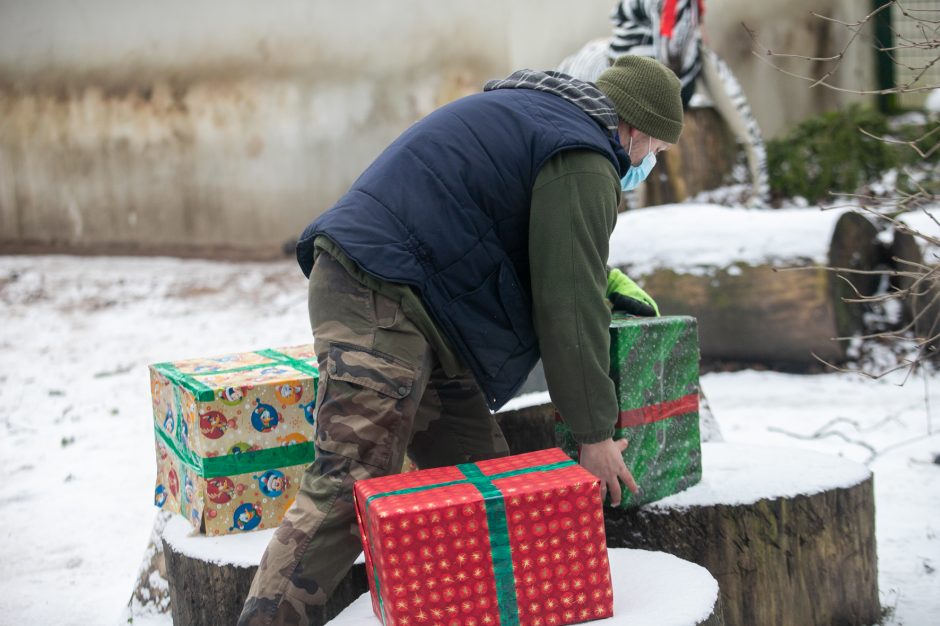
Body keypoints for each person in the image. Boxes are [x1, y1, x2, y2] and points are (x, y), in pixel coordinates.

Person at [238, 55, 683, 626]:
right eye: (656, 152)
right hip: (382, 297)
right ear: (638, 129)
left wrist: (601, 284)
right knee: (351, 481)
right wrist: (595, 435)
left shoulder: (541, 117)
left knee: (484, 487)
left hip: (422, 308)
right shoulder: (585, 157)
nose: (647, 164)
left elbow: (539, 253)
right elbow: (567, 305)